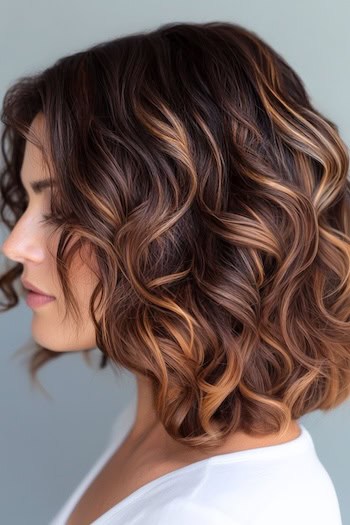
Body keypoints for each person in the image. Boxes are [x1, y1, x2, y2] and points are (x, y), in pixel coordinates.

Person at [0, 20, 346, 525]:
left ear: (184, 234)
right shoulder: (154, 427)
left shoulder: (211, 513)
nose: (15, 244)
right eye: (31, 200)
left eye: (66, 209)